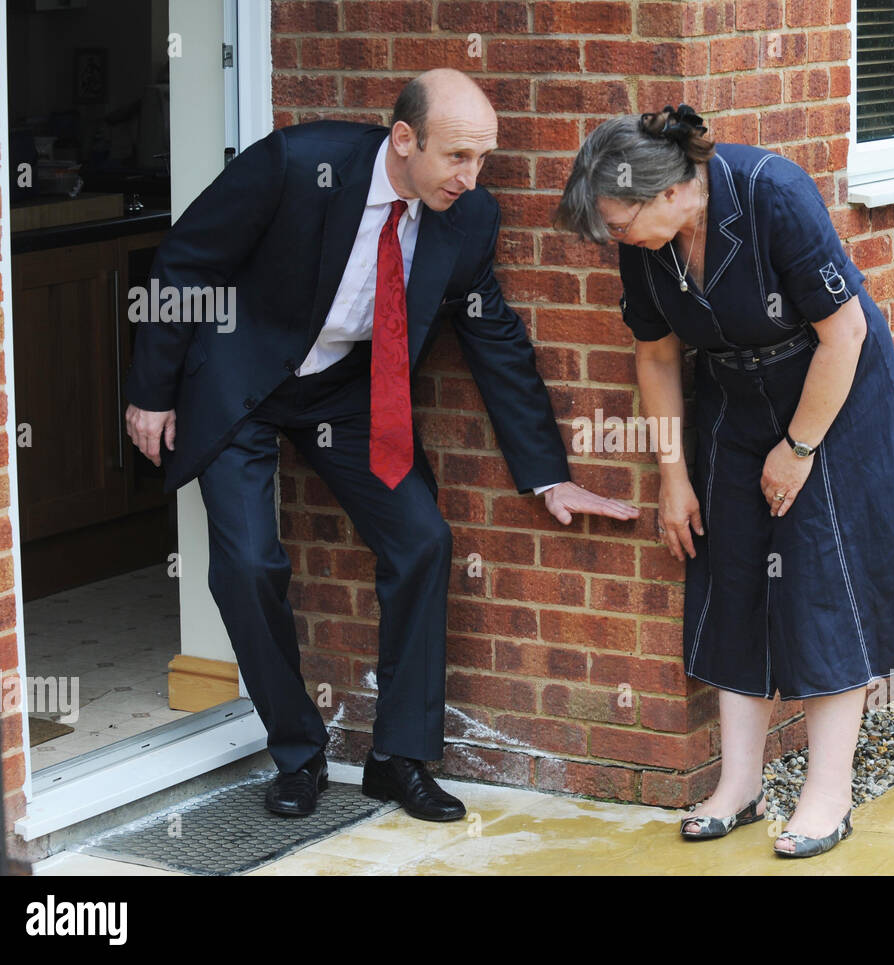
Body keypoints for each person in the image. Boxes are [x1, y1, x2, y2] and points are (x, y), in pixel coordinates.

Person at [124, 69, 639, 821]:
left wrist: (548, 477)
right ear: (404, 140)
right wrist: (151, 388)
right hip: (239, 380)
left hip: (345, 393)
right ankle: (298, 752)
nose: (473, 178)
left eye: (483, 160)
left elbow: (495, 340)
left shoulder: (467, 219)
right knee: (245, 563)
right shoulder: (298, 165)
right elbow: (186, 261)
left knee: (423, 539)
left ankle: (397, 758)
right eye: (459, 157)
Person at [554, 106, 894, 858]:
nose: (612, 240)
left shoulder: (772, 194)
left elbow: (844, 332)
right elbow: (657, 356)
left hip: (832, 390)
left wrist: (799, 446)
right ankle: (740, 783)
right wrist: (672, 475)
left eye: (618, 223)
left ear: (667, 193)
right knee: (731, 576)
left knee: (825, 578)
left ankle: (828, 792)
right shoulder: (643, 242)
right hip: (734, 398)